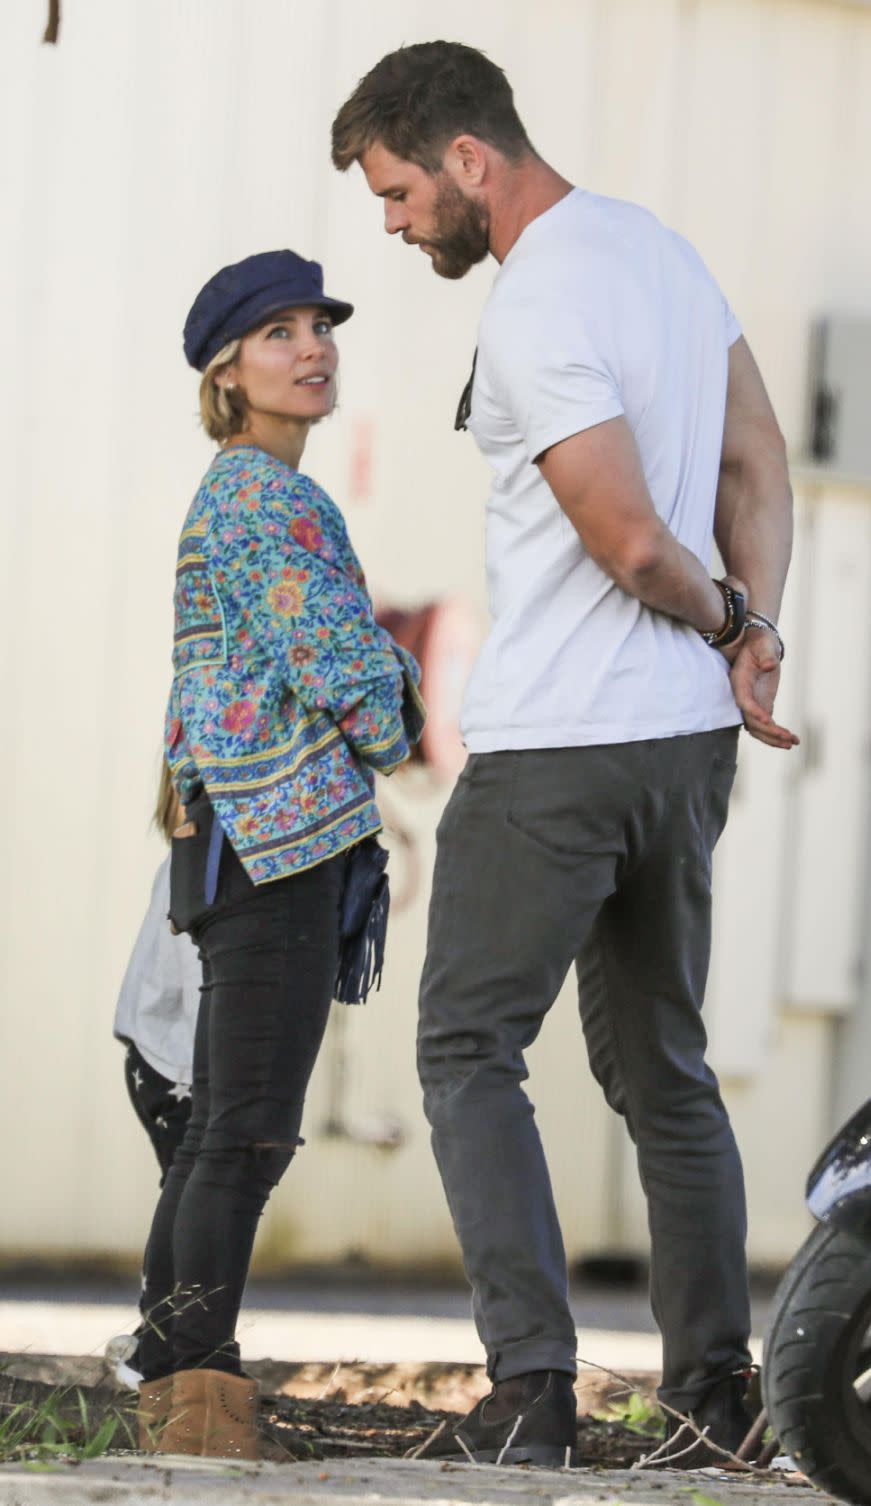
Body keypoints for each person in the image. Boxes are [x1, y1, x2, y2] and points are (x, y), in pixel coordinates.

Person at [332, 42, 796, 1468]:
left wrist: (722, 610)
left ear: (471, 159)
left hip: (558, 752)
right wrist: (757, 631)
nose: (397, 225)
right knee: (667, 1068)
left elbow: (635, 538)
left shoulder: (537, 303)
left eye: (403, 193)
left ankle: (530, 1389)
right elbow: (755, 463)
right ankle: (718, 1390)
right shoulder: (662, 255)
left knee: (467, 1046)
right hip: (683, 744)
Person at [136, 249, 425, 1461]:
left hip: (249, 845)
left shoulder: (242, 491)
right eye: (279, 335)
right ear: (226, 370)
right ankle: (194, 1393)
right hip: (279, 848)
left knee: (224, 1127)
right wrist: (403, 700)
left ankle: (177, 1374)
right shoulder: (265, 496)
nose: (313, 348)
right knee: (245, 1132)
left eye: (320, 326)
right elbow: (353, 675)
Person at [108, 764, 202, 1391]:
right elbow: (198, 991)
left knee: (184, 1191)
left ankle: (160, 1334)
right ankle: (156, 1343)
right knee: (190, 1197)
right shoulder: (197, 873)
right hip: (177, 1070)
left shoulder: (177, 864)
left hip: (154, 1060)